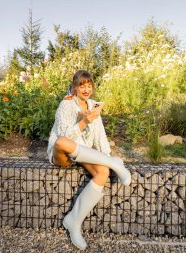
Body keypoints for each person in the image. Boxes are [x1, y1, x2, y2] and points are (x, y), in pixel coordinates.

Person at [47, 69, 131, 250]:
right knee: (62, 141)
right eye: (81, 85)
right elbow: (64, 137)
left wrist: (106, 154)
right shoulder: (66, 104)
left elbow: (100, 135)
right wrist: (84, 121)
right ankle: (115, 163)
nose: (86, 89)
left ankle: (74, 222)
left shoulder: (93, 105)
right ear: (75, 88)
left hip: (82, 151)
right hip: (63, 154)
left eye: (89, 85)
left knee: (103, 172)